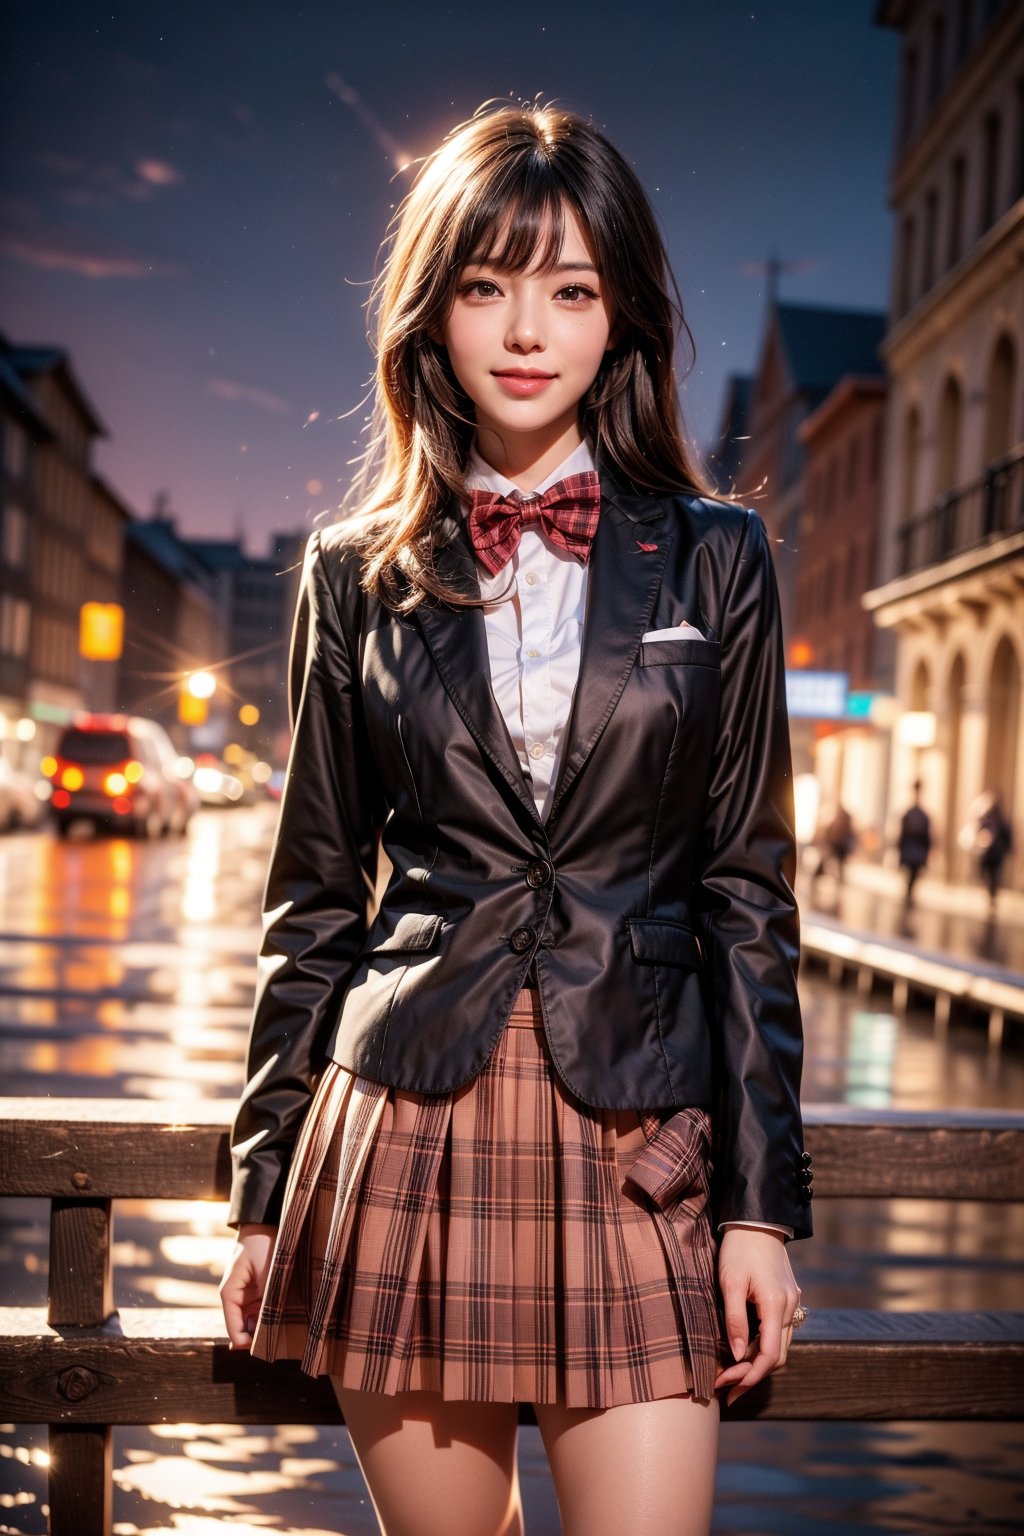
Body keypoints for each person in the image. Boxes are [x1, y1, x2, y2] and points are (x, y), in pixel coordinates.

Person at [219, 101, 812, 1536]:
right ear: (435, 314)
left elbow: (746, 892)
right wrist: (257, 1193)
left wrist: (760, 1207)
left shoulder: (718, 556)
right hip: (407, 1122)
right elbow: (313, 897)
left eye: (570, 287)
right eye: (486, 285)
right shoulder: (351, 570)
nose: (527, 327)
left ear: (624, 313)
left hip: (637, 1137)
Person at [897, 781, 932, 904]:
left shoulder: (921, 815)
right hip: (911, 848)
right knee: (910, 872)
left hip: (916, 848)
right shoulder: (911, 814)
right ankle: (908, 892)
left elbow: (927, 836)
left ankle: (909, 892)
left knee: (913, 873)